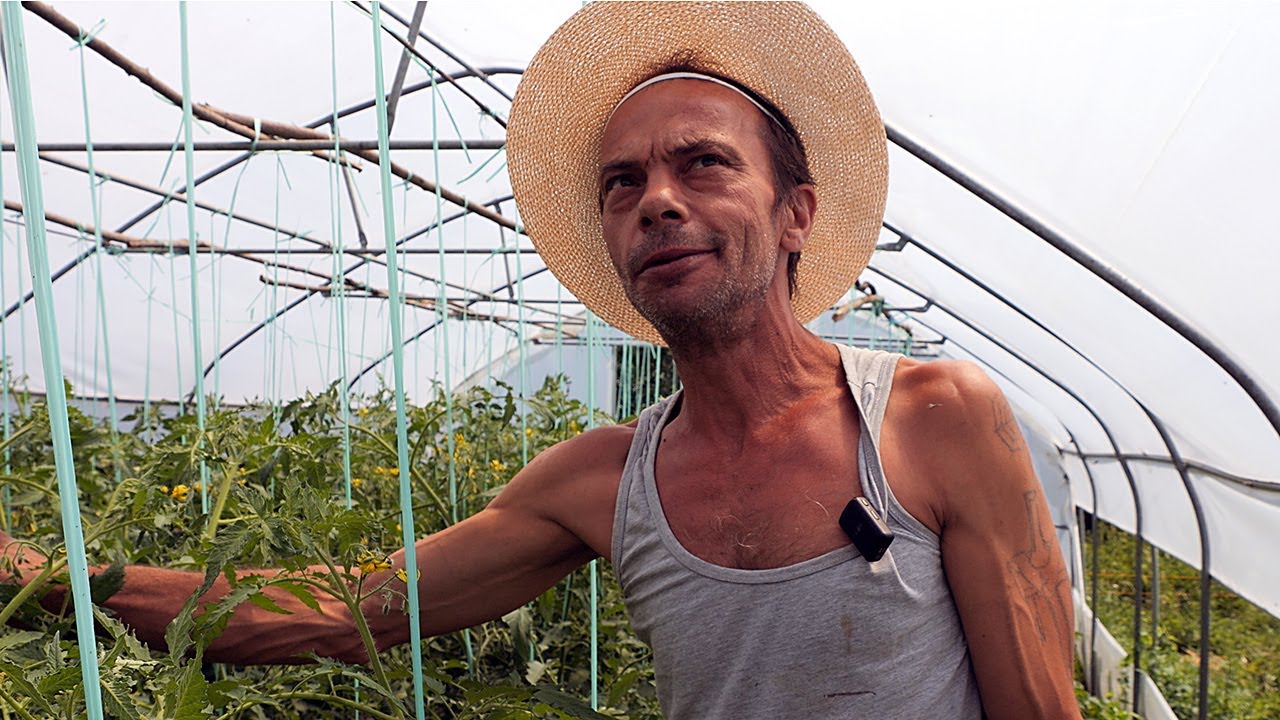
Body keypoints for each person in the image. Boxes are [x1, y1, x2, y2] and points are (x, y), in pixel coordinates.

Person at [1, 3, 1080, 718]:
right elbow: (345, 611)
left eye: (702, 163)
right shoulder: (601, 482)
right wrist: (54, 585)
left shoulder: (932, 419)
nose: (655, 199)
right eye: (621, 183)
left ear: (796, 211)